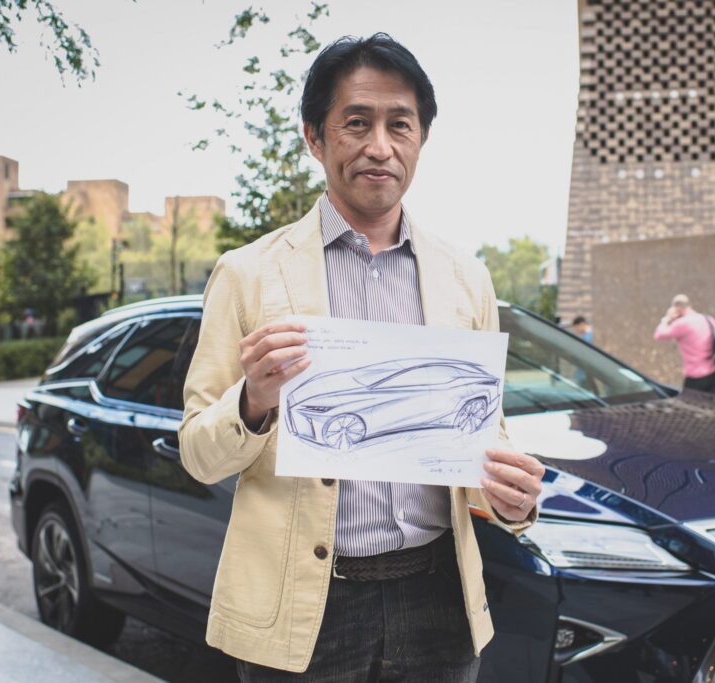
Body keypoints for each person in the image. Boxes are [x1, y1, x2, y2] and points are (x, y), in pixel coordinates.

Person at [178, 34, 544, 682]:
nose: (380, 145)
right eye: (357, 122)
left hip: (439, 601)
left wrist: (512, 503)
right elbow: (199, 455)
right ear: (315, 138)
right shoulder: (248, 274)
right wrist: (255, 401)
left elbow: (485, 443)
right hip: (302, 609)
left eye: (399, 124)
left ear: (421, 140)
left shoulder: (466, 279)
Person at [653, 294, 715, 395]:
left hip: (695, 376)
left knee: (690, 407)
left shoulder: (682, 324)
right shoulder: (709, 319)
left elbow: (658, 335)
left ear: (677, 308)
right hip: (713, 373)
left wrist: (667, 318)